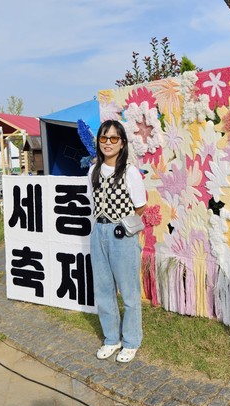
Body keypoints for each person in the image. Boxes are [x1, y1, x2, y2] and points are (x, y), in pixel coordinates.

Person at [89, 119, 147, 363]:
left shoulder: (130, 171)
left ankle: (131, 341)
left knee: (129, 291)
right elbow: (91, 201)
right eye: (104, 138)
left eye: (114, 138)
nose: (108, 143)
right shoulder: (92, 171)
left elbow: (140, 206)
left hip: (121, 234)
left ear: (122, 143)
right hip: (97, 232)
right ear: (99, 142)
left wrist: (122, 225)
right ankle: (112, 338)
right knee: (103, 289)